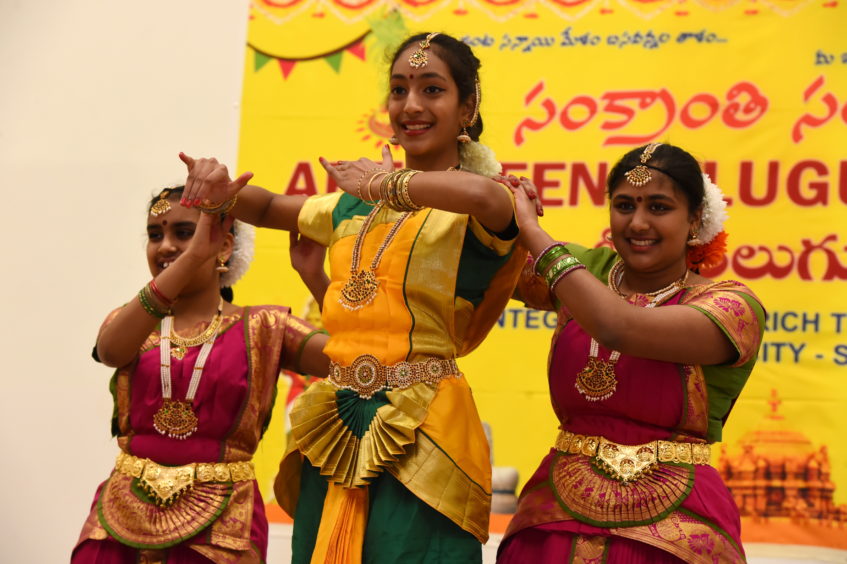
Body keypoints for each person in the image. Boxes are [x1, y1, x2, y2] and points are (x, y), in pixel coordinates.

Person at [178, 31, 525, 563]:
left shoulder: (483, 200)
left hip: (426, 428)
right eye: (399, 89)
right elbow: (272, 207)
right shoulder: (351, 205)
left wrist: (387, 186)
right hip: (338, 418)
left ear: (468, 107)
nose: (410, 105)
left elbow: (485, 197)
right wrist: (217, 191)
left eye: (432, 90)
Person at [497, 143, 765, 563]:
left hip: (674, 533)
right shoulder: (588, 272)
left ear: (694, 218)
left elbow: (619, 327)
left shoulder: (731, 307)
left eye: (658, 207)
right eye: (624, 205)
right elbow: (480, 254)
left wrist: (532, 231)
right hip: (552, 520)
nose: (638, 223)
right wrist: (497, 198)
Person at [72, 186, 329, 563]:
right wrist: (191, 257)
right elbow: (110, 352)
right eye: (155, 235)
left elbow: (356, 361)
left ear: (223, 247)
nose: (165, 247)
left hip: (224, 519)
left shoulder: (264, 327)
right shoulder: (133, 322)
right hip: (121, 510)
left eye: (184, 233)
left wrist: (314, 277)